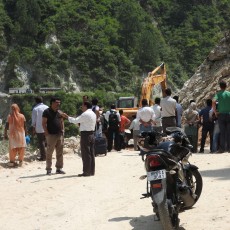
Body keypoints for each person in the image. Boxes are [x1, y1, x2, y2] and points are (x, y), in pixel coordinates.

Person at [61, 101, 96, 177]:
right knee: (91, 153)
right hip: (92, 134)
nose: (82, 107)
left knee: (86, 153)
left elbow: (75, 120)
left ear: (86, 106)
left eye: (82, 106)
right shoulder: (93, 113)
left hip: (85, 135)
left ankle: (86, 172)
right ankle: (91, 171)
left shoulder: (85, 114)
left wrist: (67, 117)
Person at [42, 97, 65, 175]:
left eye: (59, 102)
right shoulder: (46, 112)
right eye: (56, 102)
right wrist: (46, 133)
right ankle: (48, 169)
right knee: (49, 152)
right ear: (52, 103)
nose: (58, 104)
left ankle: (59, 168)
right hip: (51, 135)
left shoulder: (59, 112)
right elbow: (43, 123)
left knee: (60, 152)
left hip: (59, 134)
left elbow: (62, 122)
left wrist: (63, 130)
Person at [212, 80, 230, 153]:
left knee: (222, 132)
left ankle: (222, 149)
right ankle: (229, 148)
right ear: (226, 86)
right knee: (229, 132)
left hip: (221, 115)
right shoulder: (229, 93)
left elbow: (213, 101)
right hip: (229, 114)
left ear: (220, 86)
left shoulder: (218, 94)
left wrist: (215, 111)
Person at [31, 96, 49, 161]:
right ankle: (48, 155)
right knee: (47, 142)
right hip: (48, 127)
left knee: (41, 142)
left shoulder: (35, 109)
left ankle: (43, 157)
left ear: (36, 101)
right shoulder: (47, 107)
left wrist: (33, 129)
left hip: (39, 128)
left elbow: (34, 121)